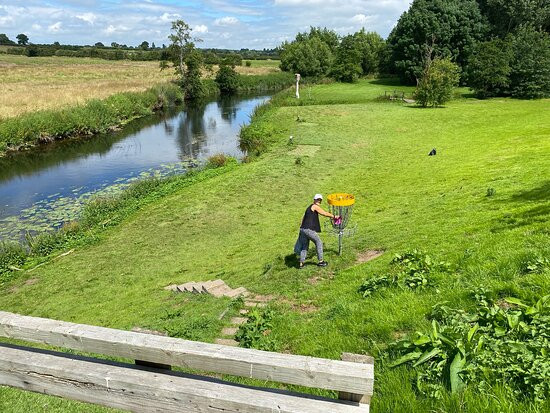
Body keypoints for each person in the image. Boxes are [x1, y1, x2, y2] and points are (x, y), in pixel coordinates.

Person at [294, 194, 337, 269]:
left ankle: (301, 264)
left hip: (303, 229)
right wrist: (334, 217)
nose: (319, 201)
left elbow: (302, 219)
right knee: (319, 242)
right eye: (317, 199)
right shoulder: (314, 206)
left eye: (320, 200)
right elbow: (324, 213)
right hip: (308, 229)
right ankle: (321, 261)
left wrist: (302, 229)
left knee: (304, 247)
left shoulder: (308, 208)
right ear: (314, 200)